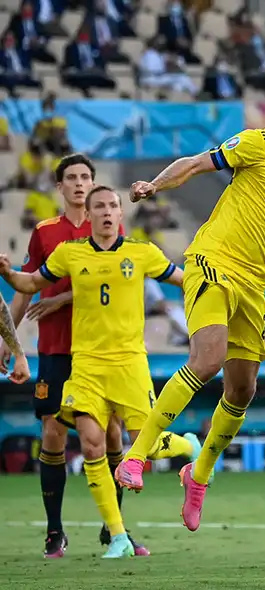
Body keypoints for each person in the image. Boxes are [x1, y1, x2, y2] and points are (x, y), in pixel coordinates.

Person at [113, 100, 265, 533]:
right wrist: (154, 185)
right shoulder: (259, 143)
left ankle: (199, 475)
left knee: (243, 390)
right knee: (207, 358)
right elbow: (197, 163)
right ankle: (136, 456)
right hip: (213, 260)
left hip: (253, 284)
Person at [0, 186, 199, 559]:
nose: (107, 212)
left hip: (130, 363)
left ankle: (188, 445)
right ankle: (119, 535)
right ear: (88, 216)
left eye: (112, 206)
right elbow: (30, 284)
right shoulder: (69, 254)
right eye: (99, 207)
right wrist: (8, 273)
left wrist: (219, 283)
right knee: (92, 442)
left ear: (121, 214)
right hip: (87, 365)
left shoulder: (142, 253)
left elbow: (184, 279)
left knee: (148, 446)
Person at [1, 154, 136, 558]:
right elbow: (26, 287)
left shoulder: (109, 226)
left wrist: (61, 298)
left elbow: (116, 279)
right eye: (72, 178)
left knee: (111, 435)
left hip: (100, 348)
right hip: (56, 347)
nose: (79, 184)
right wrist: (9, 340)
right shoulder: (45, 232)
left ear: (94, 185)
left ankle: (115, 530)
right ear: (59, 187)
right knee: (52, 433)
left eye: (86, 178)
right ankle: (54, 531)